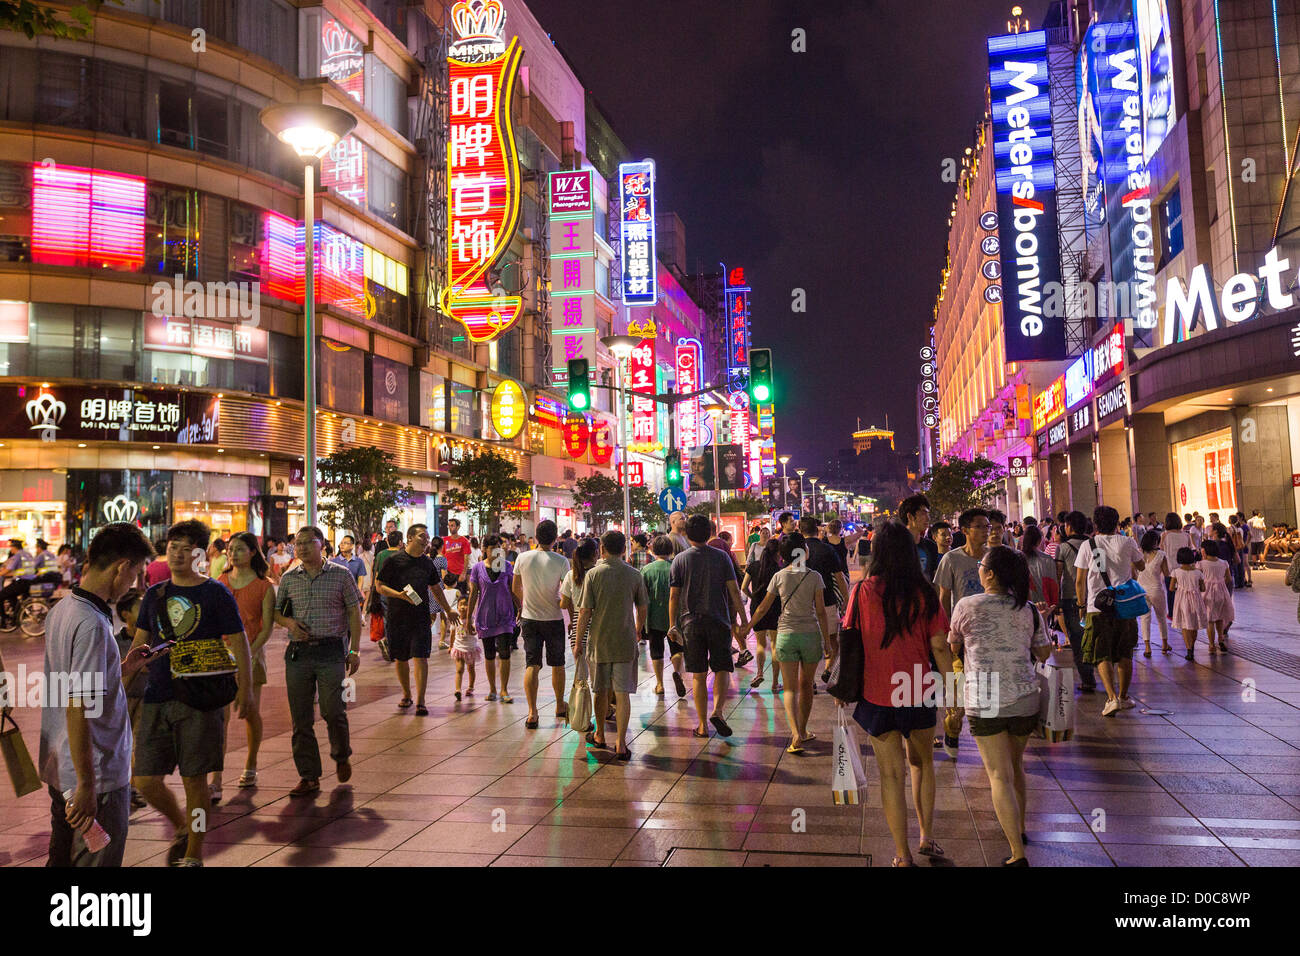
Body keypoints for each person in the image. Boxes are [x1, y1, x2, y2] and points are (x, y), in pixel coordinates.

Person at [131, 520, 251, 867]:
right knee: (145, 780)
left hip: (200, 697)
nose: (178, 553)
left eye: (187, 548)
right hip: (158, 694)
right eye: (173, 546)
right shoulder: (155, 595)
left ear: (199, 554)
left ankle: (194, 853)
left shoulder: (215, 592)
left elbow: (239, 640)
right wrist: (123, 678)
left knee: (195, 781)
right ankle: (182, 825)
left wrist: (246, 690)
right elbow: (140, 644)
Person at [39, 523, 156, 867]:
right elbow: (79, 707)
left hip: (62, 767)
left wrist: (125, 666)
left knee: (60, 859)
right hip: (96, 774)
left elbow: (75, 684)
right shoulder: (91, 623)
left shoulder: (65, 609)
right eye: (136, 573)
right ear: (122, 567)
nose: (134, 583)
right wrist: (89, 785)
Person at [839, 522, 951, 867]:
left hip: (877, 693)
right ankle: (926, 837)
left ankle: (902, 854)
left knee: (890, 775)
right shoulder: (925, 592)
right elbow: (940, 647)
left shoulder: (862, 592)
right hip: (918, 689)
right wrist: (955, 695)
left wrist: (843, 686)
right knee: (922, 764)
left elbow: (850, 641)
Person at [949, 546, 1053, 866]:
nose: (979, 568)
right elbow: (1045, 653)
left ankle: (1017, 854)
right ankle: (1018, 828)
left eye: (982, 565)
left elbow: (953, 645)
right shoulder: (1028, 609)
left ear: (990, 574)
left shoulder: (966, 605)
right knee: (1015, 766)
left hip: (986, 698)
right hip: (1024, 698)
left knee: (998, 775)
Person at [274, 526, 363, 798]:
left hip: (331, 651)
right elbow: (277, 612)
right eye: (296, 544)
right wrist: (289, 622)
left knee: (333, 710)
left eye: (306, 543)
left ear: (321, 544)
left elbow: (353, 611)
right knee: (301, 718)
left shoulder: (341, 574)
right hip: (298, 653)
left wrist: (355, 650)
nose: (300, 548)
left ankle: (341, 755)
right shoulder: (289, 578)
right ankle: (309, 776)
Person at [740, 531, 831, 753]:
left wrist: (748, 627)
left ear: (783, 555)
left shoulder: (779, 576)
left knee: (789, 688)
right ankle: (804, 729)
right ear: (805, 552)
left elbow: (762, 607)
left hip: (786, 635)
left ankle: (796, 734)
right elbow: (821, 612)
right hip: (810, 634)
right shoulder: (814, 577)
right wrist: (827, 642)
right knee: (806, 686)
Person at [669, 514, 746, 739]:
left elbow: (674, 597)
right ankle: (718, 712)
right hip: (719, 620)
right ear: (709, 532)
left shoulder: (680, 560)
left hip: (690, 622)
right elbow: (734, 590)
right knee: (722, 668)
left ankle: (702, 725)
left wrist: (672, 625)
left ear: (687, 534)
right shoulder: (722, 557)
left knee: (699, 675)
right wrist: (742, 620)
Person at [573, 531, 648, 760]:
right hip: (625, 640)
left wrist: (578, 643)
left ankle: (600, 735)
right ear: (624, 549)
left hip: (599, 641)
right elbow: (643, 606)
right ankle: (621, 744)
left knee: (600, 690)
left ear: (602, 548)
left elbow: (585, 612)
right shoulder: (634, 575)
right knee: (622, 692)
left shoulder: (593, 575)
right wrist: (637, 629)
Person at [213, 532, 275, 796]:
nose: (233, 553)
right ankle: (216, 777)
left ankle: (251, 764)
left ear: (253, 552)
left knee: (249, 711)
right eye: (230, 549)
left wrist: (248, 653)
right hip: (221, 657)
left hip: (253, 655)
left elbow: (266, 627)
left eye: (239, 549)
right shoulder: (220, 583)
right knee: (220, 717)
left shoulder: (265, 586)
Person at [377, 524, 458, 716]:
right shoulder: (394, 560)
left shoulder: (427, 563)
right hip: (397, 616)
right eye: (422, 536)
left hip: (421, 616)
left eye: (427, 537)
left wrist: (447, 610)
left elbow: (436, 588)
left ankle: (421, 701)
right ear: (410, 538)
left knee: (421, 657)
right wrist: (399, 594)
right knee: (401, 657)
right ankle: (406, 694)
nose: (426, 540)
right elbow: (379, 586)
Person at [1074, 506, 1145, 717]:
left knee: (1100, 652)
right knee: (1125, 652)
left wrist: (1080, 606)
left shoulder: (1089, 545)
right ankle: (1123, 697)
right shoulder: (1127, 542)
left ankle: (1112, 698)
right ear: (1117, 523)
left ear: (1095, 524)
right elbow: (1141, 566)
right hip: (1125, 606)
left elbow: (1079, 581)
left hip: (1097, 606)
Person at [933, 508, 990, 757]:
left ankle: (989, 738)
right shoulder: (951, 559)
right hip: (960, 637)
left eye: (988, 526)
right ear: (965, 530)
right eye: (981, 526)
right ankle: (953, 731)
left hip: (988, 636)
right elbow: (944, 598)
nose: (986, 531)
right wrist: (946, 635)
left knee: (987, 688)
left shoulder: (994, 558)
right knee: (957, 691)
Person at [513, 519, 570, 728]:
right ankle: (559, 706)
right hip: (553, 619)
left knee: (532, 664)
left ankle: (532, 713)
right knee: (558, 664)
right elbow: (567, 592)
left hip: (529, 618)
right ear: (555, 539)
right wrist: (563, 606)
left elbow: (515, 587)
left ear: (536, 537)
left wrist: (522, 606)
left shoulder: (522, 558)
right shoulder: (561, 561)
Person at [466, 535, 520, 702]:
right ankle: (492, 690)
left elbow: (513, 590)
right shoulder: (477, 568)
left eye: (499, 546)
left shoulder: (506, 567)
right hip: (485, 617)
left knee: (505, 653)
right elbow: (473, 594)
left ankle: (504, 690)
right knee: (489, 654)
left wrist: (520, 607)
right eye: (493, 547)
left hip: (505, 615)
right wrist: (468, 618)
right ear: (485, 550)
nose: (497, 550)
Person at [799, 516, 848, 684]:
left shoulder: (797, 551)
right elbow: (839, 578)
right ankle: (828, 669)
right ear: (818, 530)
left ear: (800, 531)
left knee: (806, 642)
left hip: (804, 603)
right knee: (833, 642)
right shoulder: (827, 549)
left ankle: (810, 680)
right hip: (827, 600)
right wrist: (846, 600)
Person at [643, 535, 688, 697]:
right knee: (677, 648)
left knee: (656, 651)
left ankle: (660, 684)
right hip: (675, 618)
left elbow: (642, 597)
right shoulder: (677, 567)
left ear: (654, 550)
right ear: (671, 550)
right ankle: (677, 672)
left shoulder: (647, 570)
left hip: (653, 617)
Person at [740, 537, 782, 693]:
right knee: (775, 646)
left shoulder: (754, 566)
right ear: (778, 553)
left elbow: (743, 587)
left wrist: (753, 598)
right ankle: (775, 683)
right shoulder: (779, 569)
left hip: (756, 608)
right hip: (775, 608)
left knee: (760, 644)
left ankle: (758, 673)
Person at [1137, 530, 1172, 657]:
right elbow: (1167, 573)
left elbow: (1133, 572)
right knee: (1161, 617)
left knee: (1144, 618)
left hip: (1141, 590)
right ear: (1155, 541)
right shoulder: (1161, 555)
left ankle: (1147, 647)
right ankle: (1164, 644)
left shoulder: (1139, 554)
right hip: (1156, 589)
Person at [1170, 546, 1208, 661]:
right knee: (1194, 625)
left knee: (1185, 625)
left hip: (1182, 599)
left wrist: (1181, 588)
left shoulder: (1176, 572)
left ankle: (1188, 650)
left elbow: (1171, 588)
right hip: (1196, 599)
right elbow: (1203, 588)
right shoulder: (1198, 573)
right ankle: (1192, 647)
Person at [1199, 539, 1234, 654]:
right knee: (1219, 617)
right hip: (1221, 591)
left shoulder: (1201, 564)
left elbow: (1198, 579)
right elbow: (1229, 579)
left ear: (1205, 550)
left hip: (1207, 592)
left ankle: (1211, 645)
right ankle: (1221, 639)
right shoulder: (1224, 563)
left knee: (1210, 619)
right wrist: (1219, 582)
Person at [1159, 513, 1192, 617]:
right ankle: (1185, 611)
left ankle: (1173, 614)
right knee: (1185, 592)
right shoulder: (1186, 535)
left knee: (1171, 592)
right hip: (1184, 568)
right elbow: (1189, 549)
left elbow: (1161, 550)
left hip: (1170, 568)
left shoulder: (1165, 535)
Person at [899, 494, 937, 582]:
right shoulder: (894, 546)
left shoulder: (930, 546)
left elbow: (934, 579)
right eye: (923, 513)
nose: (928, 518)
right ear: (910, 516)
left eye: (928, 514)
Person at [0, 537, 36, 629]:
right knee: (11, 595)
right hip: (30, 582)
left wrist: (1, 573)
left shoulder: (17, 556)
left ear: (14, 547)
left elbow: (8, 569)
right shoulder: (28, 554)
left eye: (11, 547)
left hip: (21, 582)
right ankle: (14, 618)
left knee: (1, 595)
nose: (10, 549)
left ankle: (3, 621)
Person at [443, 519, 471, 584]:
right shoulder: (445, 540)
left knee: (459, 593)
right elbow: (442, 556)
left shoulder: (464, 541)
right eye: (449, 526)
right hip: (448, 573)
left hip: (459, 573)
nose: (450, 528)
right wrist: (444, 572)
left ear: (458, 527)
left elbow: (466, 558)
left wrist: (464, 573)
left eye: (452, 525)